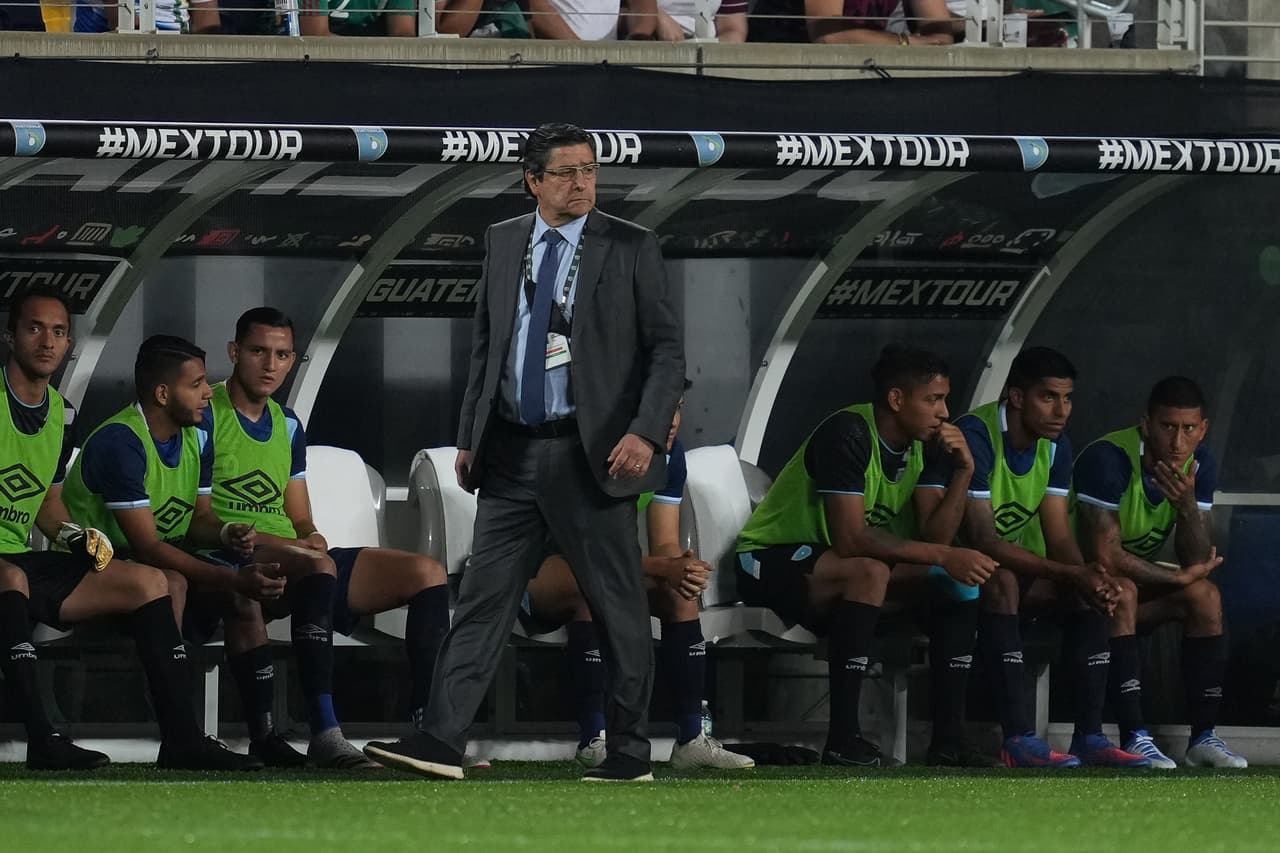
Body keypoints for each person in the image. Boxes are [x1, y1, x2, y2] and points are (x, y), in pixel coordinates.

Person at [366, 121, 685, 782]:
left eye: (590, 170)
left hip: (589, 453)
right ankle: (441, 740)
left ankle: (629, 751)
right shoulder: (504, 239)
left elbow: (666, 350)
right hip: (509, 451)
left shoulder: (632, 246)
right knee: (483, 599)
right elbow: (487, 341)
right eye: (566, 172)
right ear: (532, 179)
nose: (582, 184)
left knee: (618, 603)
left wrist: (646, 430)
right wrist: (470, 433)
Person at [1, 289, 258, 771]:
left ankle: (181, 740)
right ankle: (42, 738)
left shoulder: (64, 414)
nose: (47, 341)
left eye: (58, 331)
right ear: (10, 336)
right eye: (34, 328)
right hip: (7, 572)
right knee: (9, 578)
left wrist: (76, 536)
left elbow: (48, 505)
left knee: (151, 581)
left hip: (22, 559)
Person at [200, 306, 452, 764]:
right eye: (258, 351)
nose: (270, 365)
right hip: (230, 555)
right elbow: (192, 514)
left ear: (293, 360)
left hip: (291, 555)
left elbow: (298, 515)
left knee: (427, 572)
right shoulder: (204, 414)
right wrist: (261, 540)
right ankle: (325, 731)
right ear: (234, 352)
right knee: (316, 565)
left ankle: (432, 730)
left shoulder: (289, 423)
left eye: (281, 355)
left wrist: (311, 534)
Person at [736, 344, 998, 768]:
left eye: (944, 399)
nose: (944, 412)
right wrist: (945, 554)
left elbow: (935, 535)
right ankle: (842, 739)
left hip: (836, 569)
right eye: (933, 399)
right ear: (897, 399)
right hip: (769, 560)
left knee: (956, 583)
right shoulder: (850, 432)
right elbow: (852, 538)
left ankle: (949, 742)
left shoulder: (920, 444)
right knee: (870, 571)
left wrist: (963, 472)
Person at [525, 385, 753, 770]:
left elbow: (663, 543)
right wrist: (664, 567)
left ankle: (691, 737)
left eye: (678, 407)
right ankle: (594, 739)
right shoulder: (591, 450)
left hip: (607, 569)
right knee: (593, 588)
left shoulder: (670, 456)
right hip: (538, 573)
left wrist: (682, 567)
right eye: (665, 408)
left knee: (679, 593)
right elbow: (589, 554)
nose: (674, 419)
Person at [953, 346, 1148, 768]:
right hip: (960, 573)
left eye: (1067, 397)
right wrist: (1071, 571)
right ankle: (1018, 739)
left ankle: (1090, 737)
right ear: (1017, 397)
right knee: (1000, 579)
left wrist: (1087, 575)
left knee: (1090, 591)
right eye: (1049, 397)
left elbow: (1058, 533)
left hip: (1021, 568)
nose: (1062, 410)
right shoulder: (977, 435)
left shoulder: (1055, 445)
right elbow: (983, 538)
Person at [1073, 376, 1243, 768]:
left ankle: (1204, 738)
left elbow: (1196, 558)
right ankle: (1135, 736)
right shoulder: (1110, 458)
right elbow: (1107, 556)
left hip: (1130, 584)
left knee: (1206, 596)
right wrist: (1177, 578)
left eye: (1188, 430)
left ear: (1203, 429)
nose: (1177, 442)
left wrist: (1186, 506)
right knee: (1125, 589)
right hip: (1079, 581)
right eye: (1167, 427)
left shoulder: (1200, 463)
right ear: (1146, 424)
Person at [749, 0, 954, 44]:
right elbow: (830, 36)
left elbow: (940, 35)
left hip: (867, 65)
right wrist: (906, 43)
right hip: (787, 75)